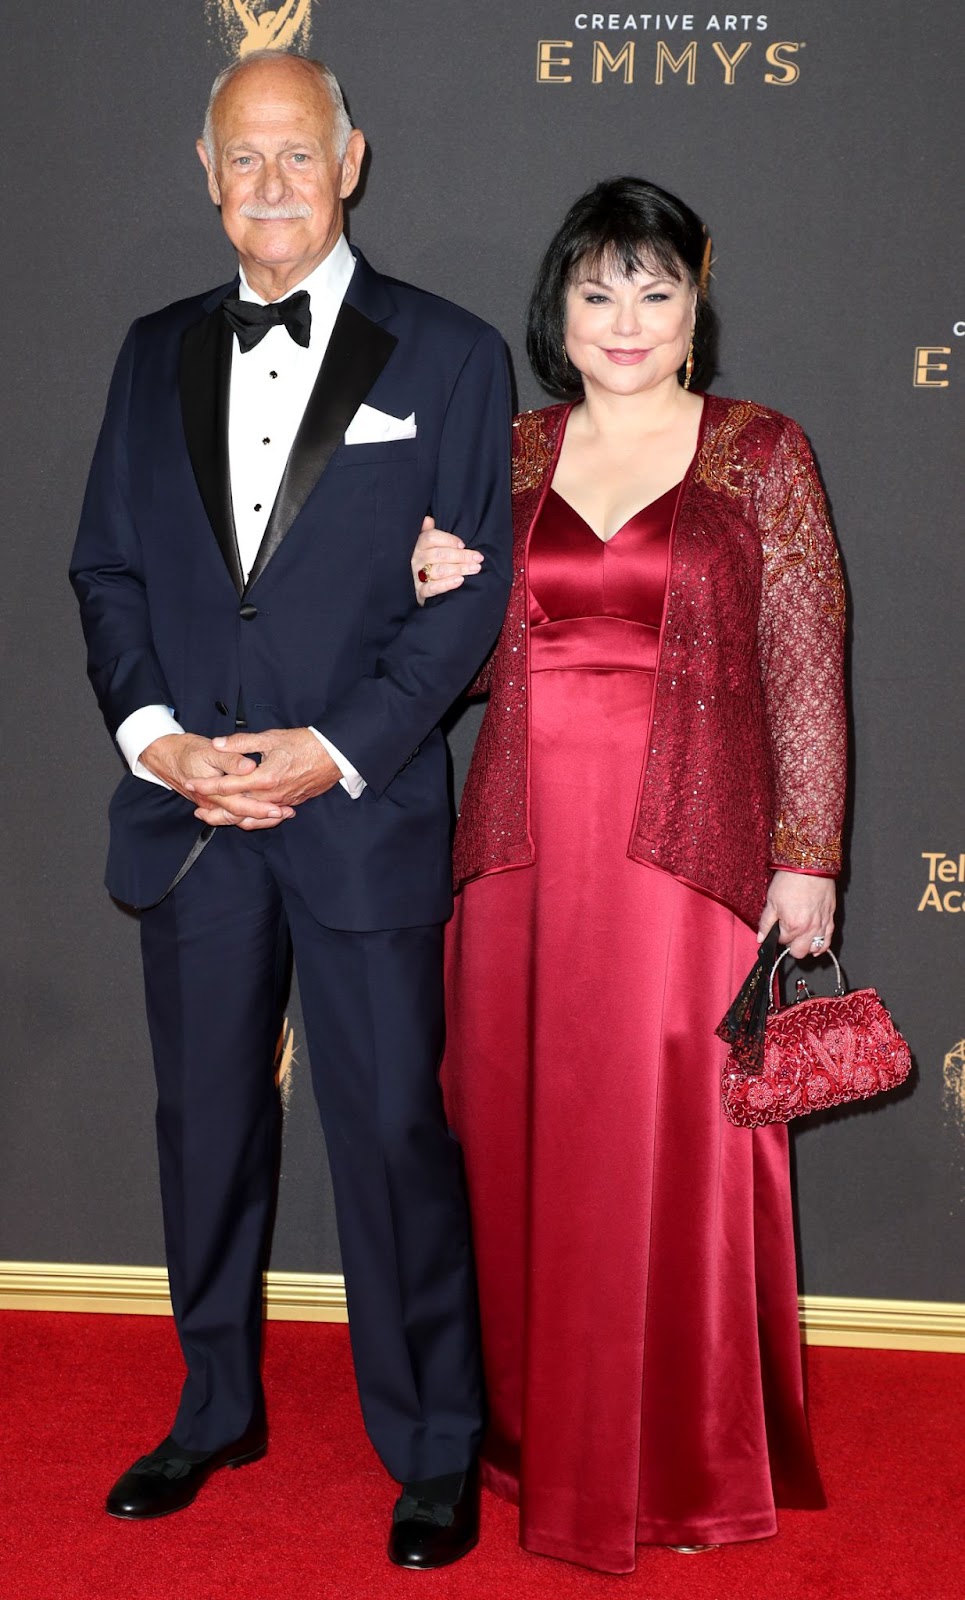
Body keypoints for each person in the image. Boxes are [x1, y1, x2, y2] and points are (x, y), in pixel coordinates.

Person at [70, 49, 513, 1569]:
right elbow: (109, 570)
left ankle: (432, 1442)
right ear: (206, 175)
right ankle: (212, 1407)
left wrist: (332, 749)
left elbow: (467, 607)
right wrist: (156, 738)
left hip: (359, 811)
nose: (268, 184)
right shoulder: (150, 351)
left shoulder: (449, 356)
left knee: (391, 1129)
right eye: (240, 158)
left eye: (296, 154)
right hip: (190, 816)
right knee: (204, 1126)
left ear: (353, 160)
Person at [411, 177, 845, 1574]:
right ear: (559, 307)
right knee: (522, 1134)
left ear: (692, 307)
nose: (625, 319)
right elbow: (480, 668)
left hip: (686, 862)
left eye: (653, 290)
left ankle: (682, 1454)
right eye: (597, 291)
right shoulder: (512, 449)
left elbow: (804, 667)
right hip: (520, 854)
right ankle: (532, 1438)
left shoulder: (760, 452)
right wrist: (432, 593)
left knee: (670, 1147)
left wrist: (808, 857)